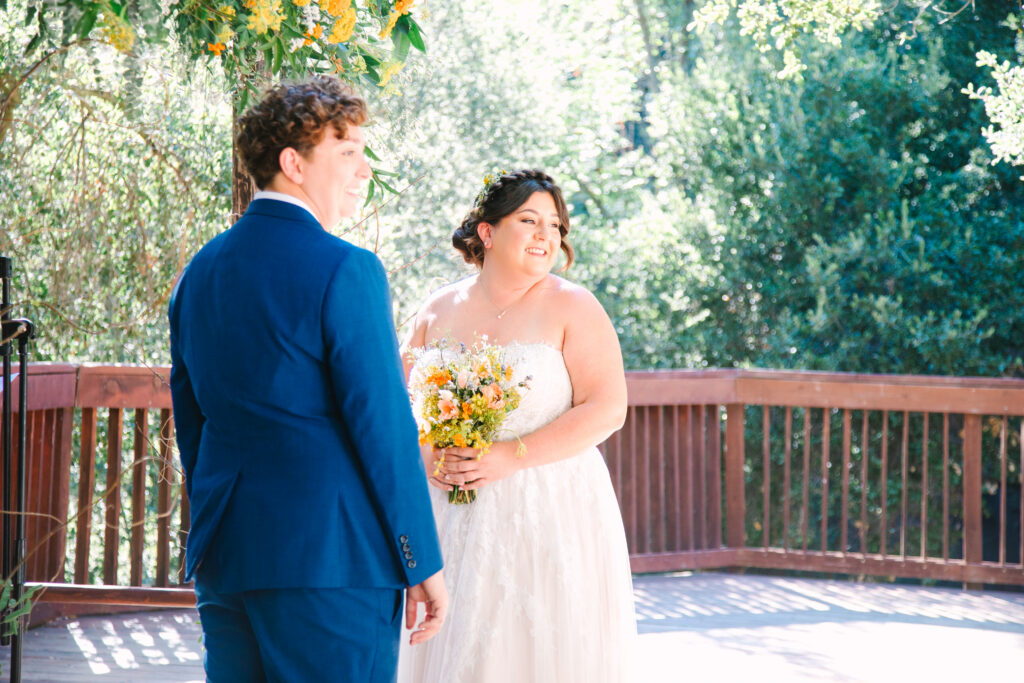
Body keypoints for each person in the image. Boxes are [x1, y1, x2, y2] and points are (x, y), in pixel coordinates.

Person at [168, 76, 447, 682]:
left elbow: (192, 423)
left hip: (228, 557)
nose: (363, 171)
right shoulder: (347, 269)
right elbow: (382, 426)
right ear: (293, 163)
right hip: (333, 563)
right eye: (346, 152)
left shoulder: (199, 273)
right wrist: (420, 558)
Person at [398, 170, 636, 682]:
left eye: (554, 225)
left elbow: (607, 407)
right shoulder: (437, 308)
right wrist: (426, 453)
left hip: (551, 510)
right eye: (529, 220)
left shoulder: (575, 306)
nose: (546, 235)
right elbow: (399, 405)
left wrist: (511, 454)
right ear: (488, 231)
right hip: (450, 508)